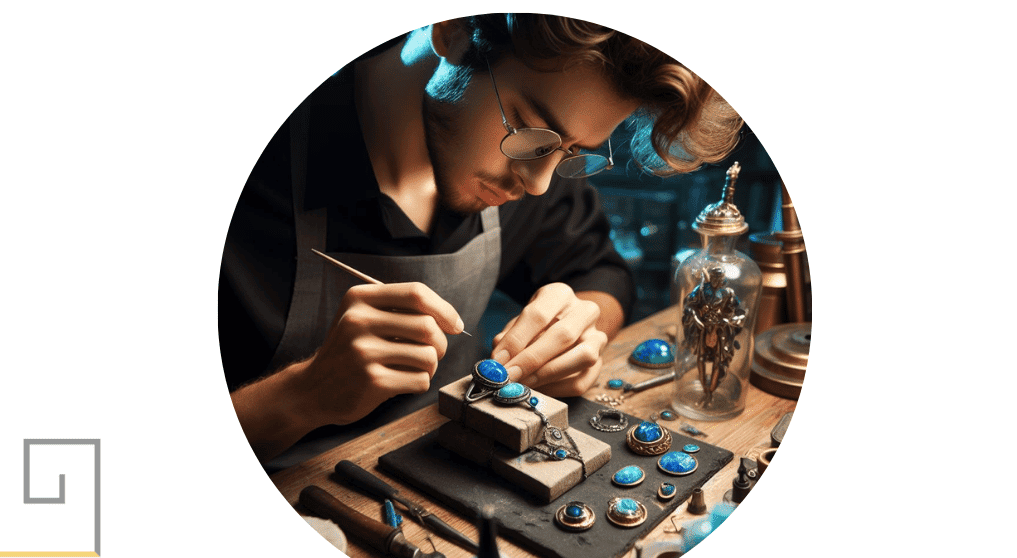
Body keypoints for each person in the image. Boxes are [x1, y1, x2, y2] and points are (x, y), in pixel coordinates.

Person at [220, 14, 743, 470]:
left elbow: (599, 273)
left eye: (570, 152)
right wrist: (302, 397)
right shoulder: (257, 166)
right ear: (452, 29)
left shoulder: (527, 170)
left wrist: (578, 328)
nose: (537, 183)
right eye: (528, 127)